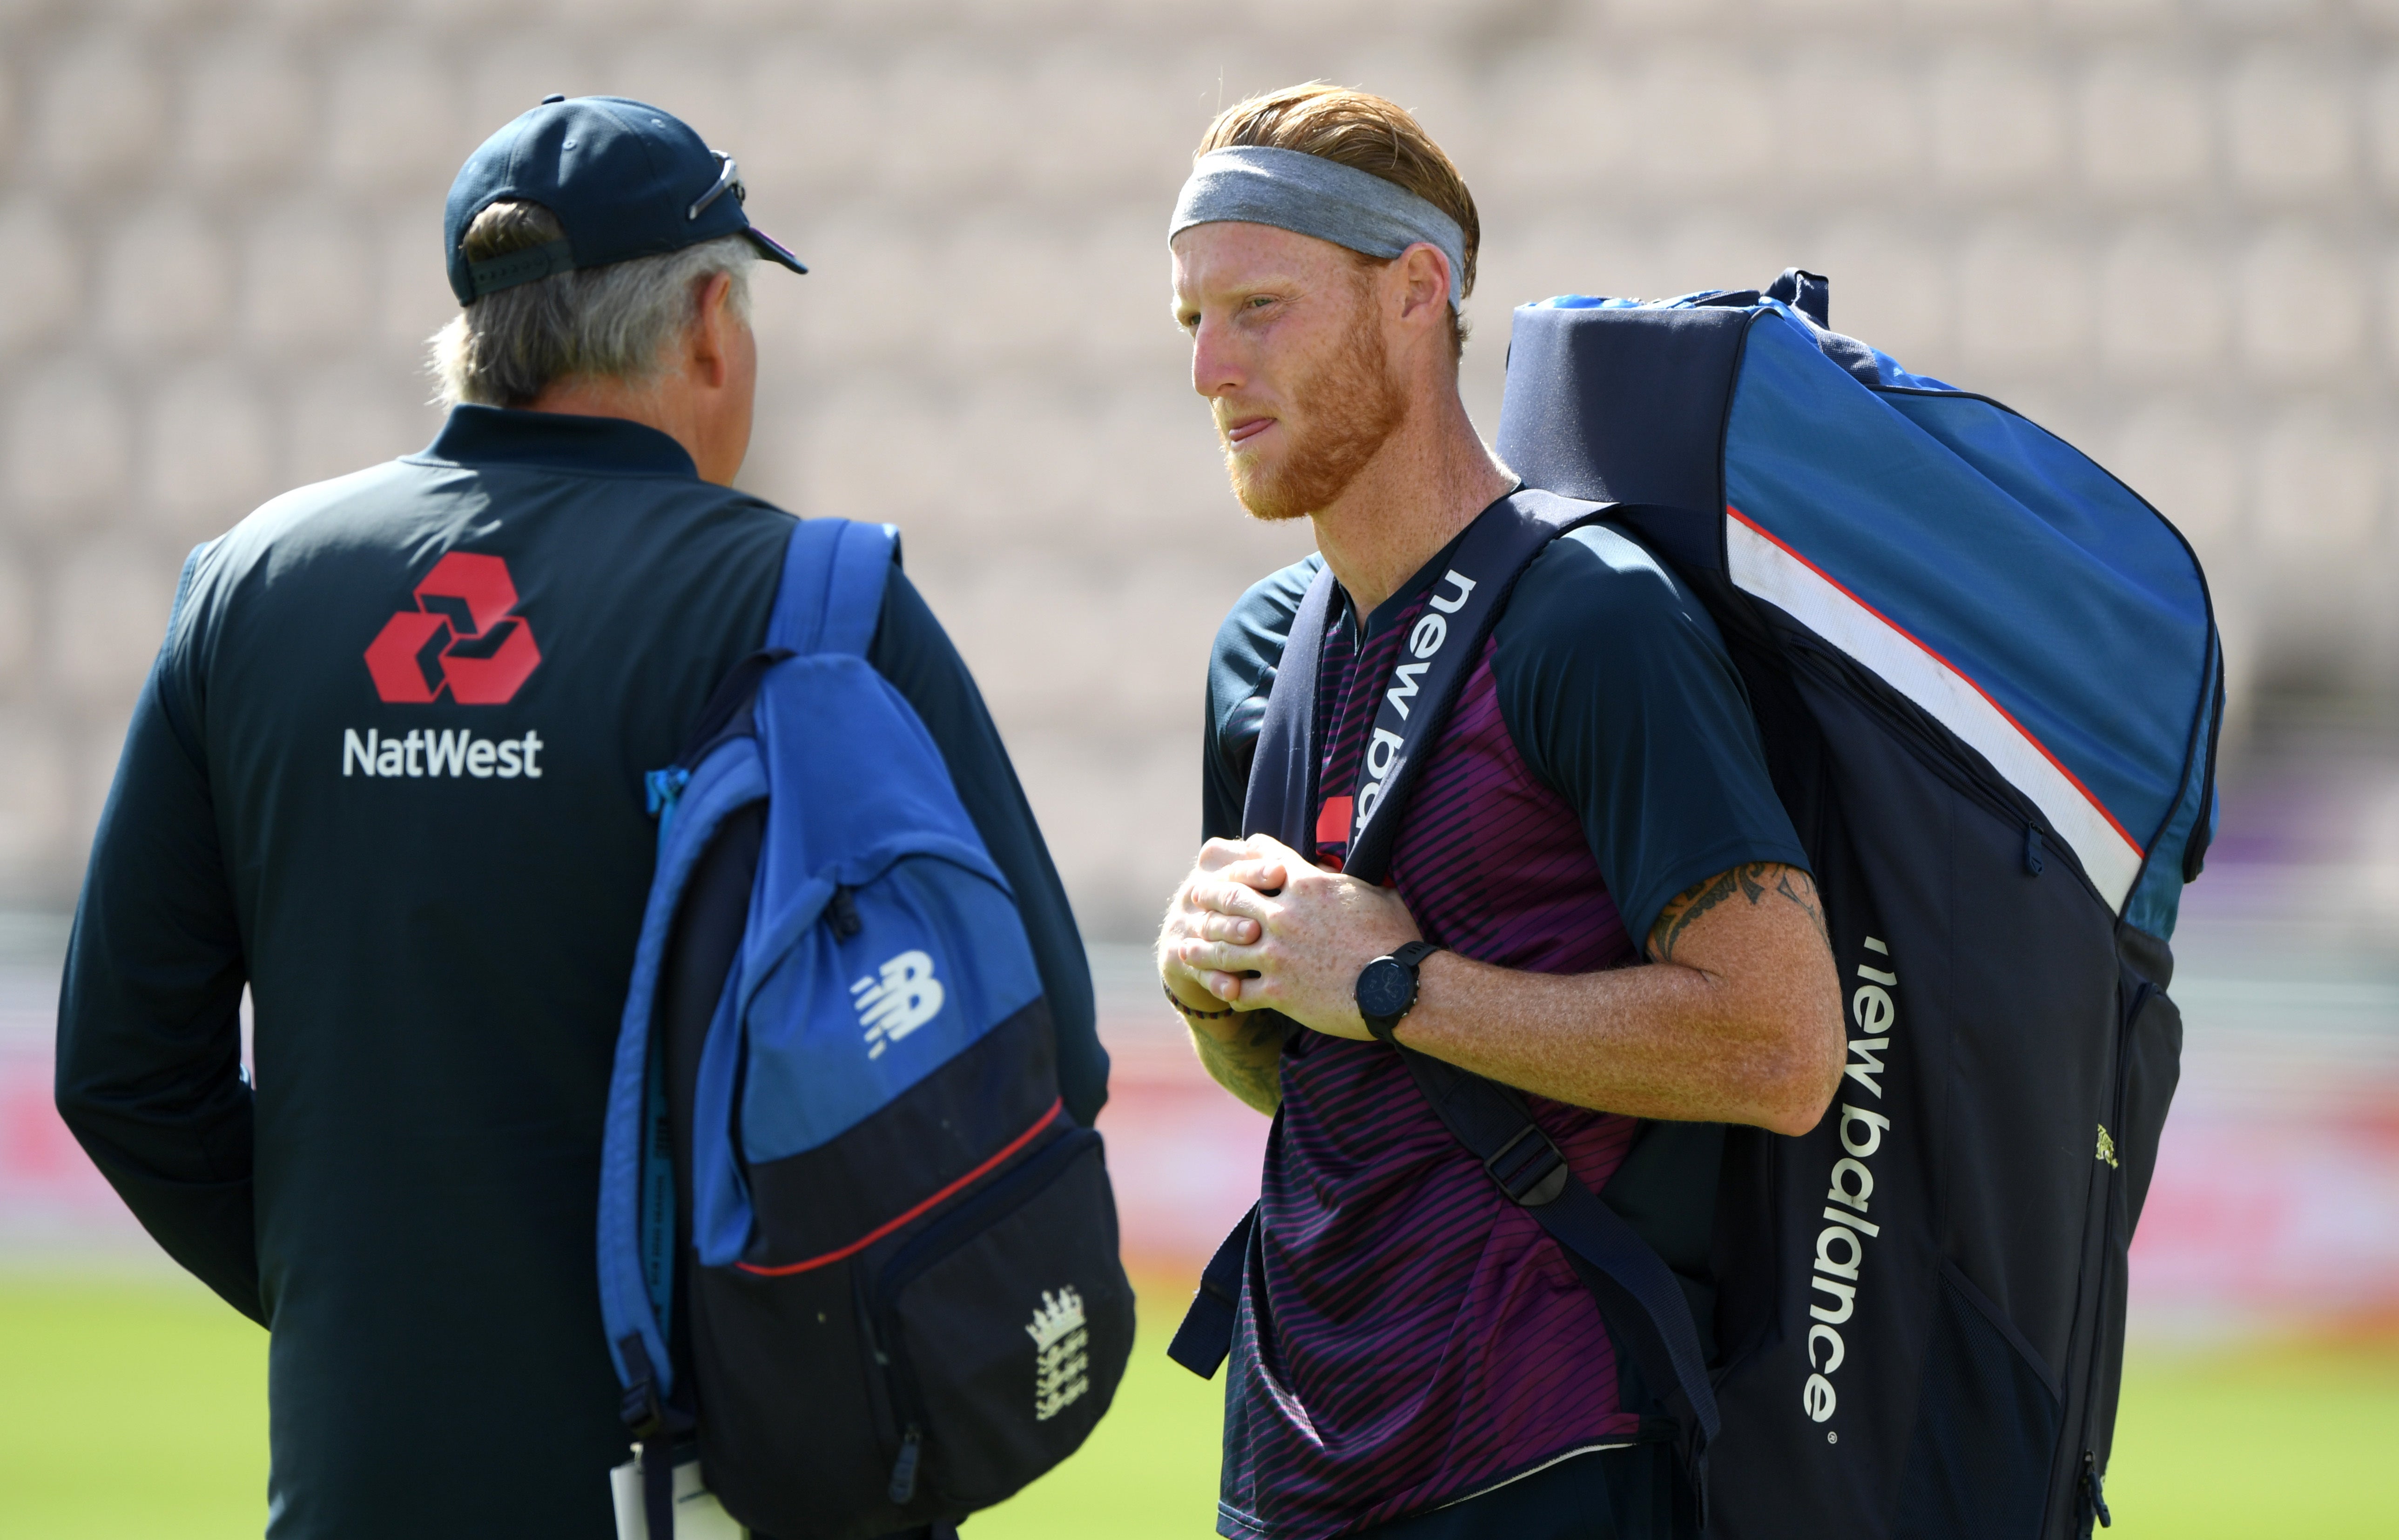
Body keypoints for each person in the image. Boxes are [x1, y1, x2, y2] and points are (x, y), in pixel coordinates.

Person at [54, 96, 1102, 1539]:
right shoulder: (821, 605)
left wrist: (361, 1313)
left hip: (371, 1475)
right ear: (710, 325)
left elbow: (122, 1074)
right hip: (749, 1478)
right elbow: (1038, 1045)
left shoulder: (246, 588)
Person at [1155, 84, 1845, 1540]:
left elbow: (1780, 1048)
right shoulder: (1258, 648)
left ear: (1416, 293)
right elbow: (1321, 1073)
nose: (1212, 367)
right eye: (1191, 322)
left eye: (1260, 307)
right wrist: (1224, 998)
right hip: (1292, 1460)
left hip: (1540, 1451)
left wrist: (1397, 983)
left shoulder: (1590, 622)